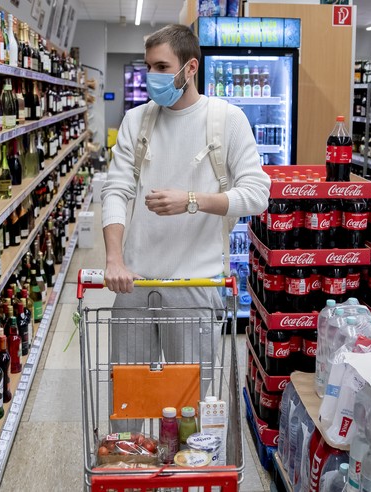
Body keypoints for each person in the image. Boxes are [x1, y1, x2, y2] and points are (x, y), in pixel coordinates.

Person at [100, 24, 269, 429]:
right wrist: (114, 259)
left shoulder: (225, 120)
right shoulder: (136, 121)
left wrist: (192, 201)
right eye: (148, 66)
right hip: (135, 284)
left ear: (190, 67)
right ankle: (130, 470)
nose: (152, 76)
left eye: (162, 66)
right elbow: (116, 191)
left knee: (189, 406)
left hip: (196, 287)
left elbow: (257, 193)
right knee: (129, 404)